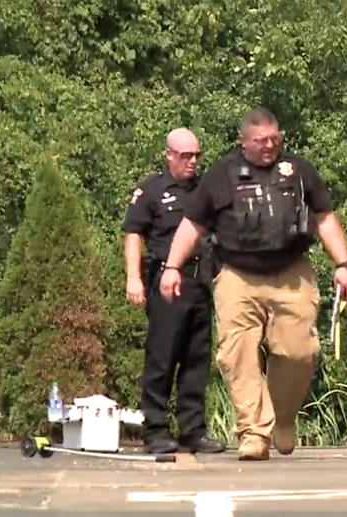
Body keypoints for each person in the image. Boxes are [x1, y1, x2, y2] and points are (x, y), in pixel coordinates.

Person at [158, 107, 347, 461]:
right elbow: (193, 225)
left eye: (274, 139)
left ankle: (282, 417)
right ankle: (253, 432)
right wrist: (172, 266)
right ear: (243, 141)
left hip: (291, 271)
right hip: (238, 274)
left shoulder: (298, 171)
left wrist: (343, 264)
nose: (269, 146)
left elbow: (324, 218)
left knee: (300, 352)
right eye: (260, 141)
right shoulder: (222, 174)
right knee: (237, 352)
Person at [123, 128, 225, 454]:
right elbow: (133, 234)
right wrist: (133, 278)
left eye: (196, 155)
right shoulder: (152, 190)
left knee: (196, 360)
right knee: (162, 358)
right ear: (169, 155)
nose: (192, 162)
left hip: (200, 282)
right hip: (166, 283)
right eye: (185, 156)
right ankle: (155, 431)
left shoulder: (206, 190)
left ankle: (193, 431)